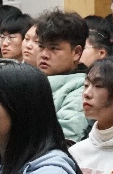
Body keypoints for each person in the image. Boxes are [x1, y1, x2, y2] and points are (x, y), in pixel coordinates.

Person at [34, 9, 90, 142]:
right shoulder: (31, 81)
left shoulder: (82, 88)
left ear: (76, 53)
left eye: (54, 48)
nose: (44, 55)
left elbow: (68, 136)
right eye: (41, 46)